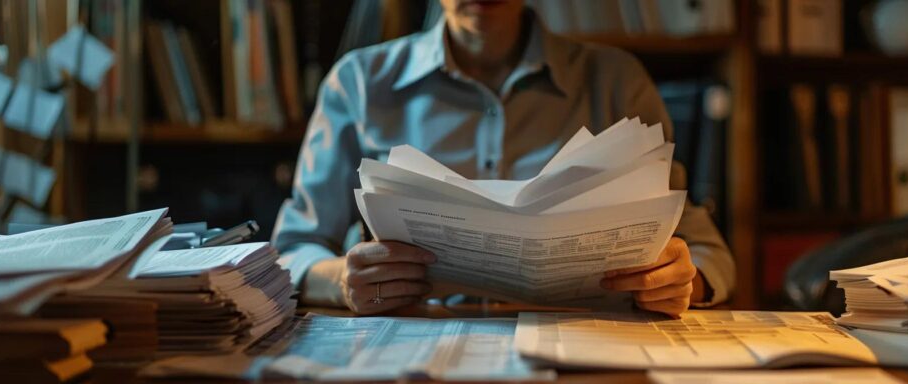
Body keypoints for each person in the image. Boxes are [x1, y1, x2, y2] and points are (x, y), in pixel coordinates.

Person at [272, 0, 735, 316]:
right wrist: (341, 281)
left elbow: (705, 251)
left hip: (584, 348)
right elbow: (292, 251)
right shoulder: (358, 83)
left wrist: (681, 278)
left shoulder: (615, 81)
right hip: (415, 345)